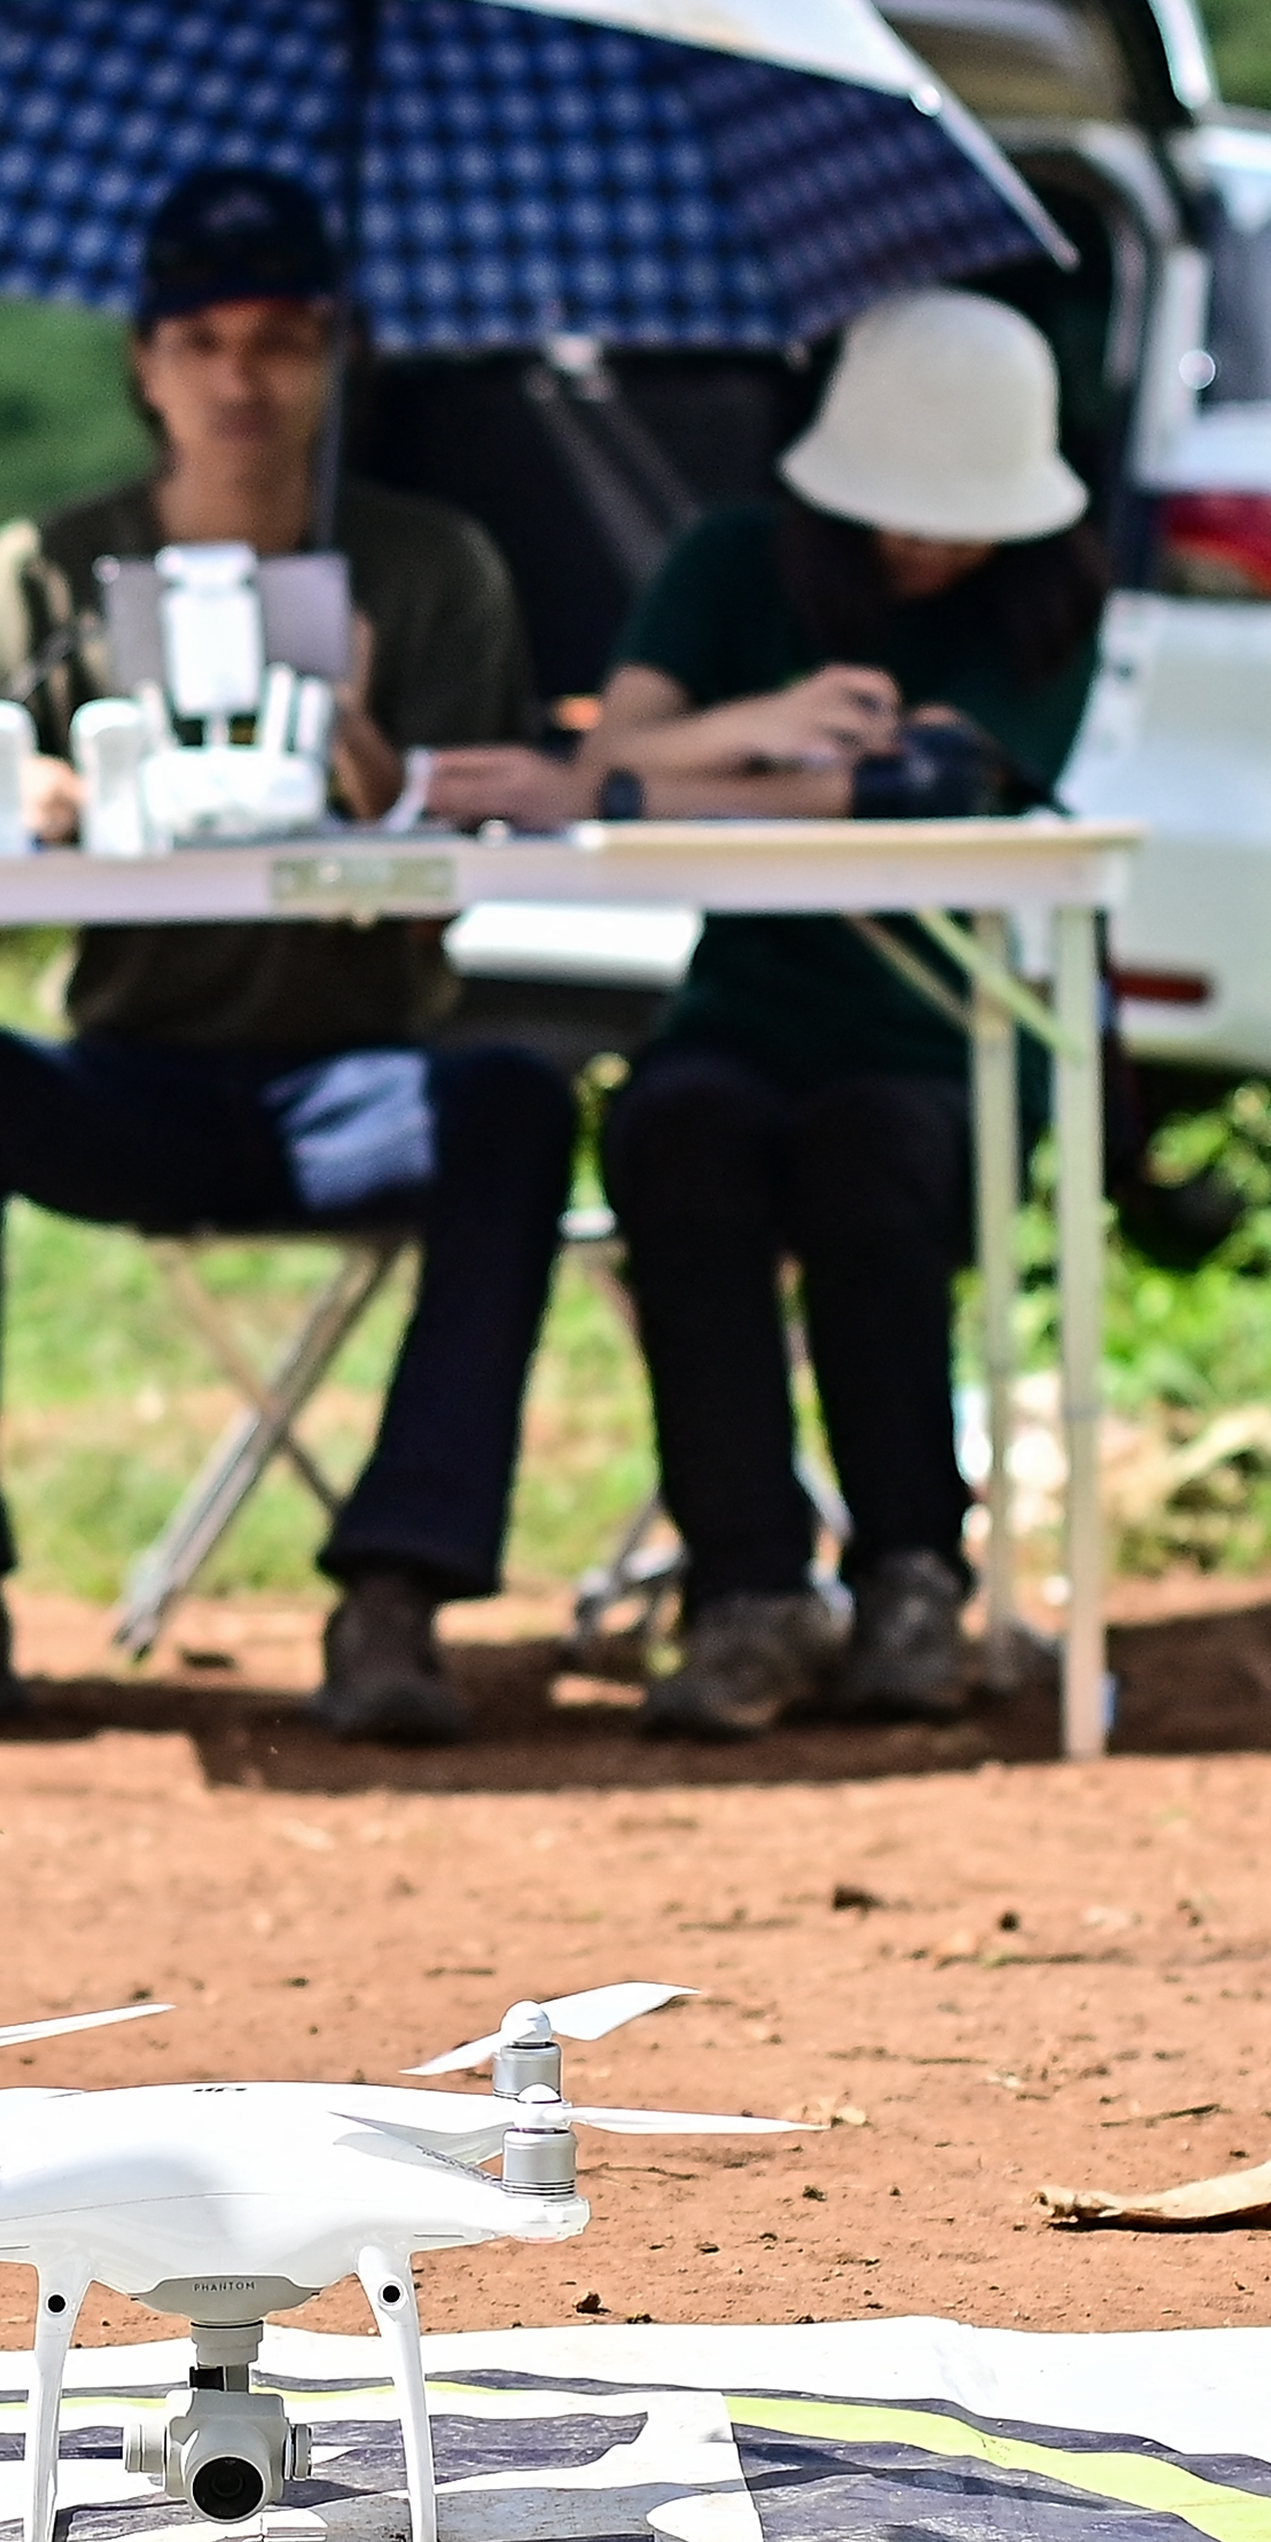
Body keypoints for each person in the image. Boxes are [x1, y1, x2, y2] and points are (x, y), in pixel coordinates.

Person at [0, 166, 568, 1747]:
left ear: (337, 355)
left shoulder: (430, 568)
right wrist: (22, 803)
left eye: (284, 339)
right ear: (143, 360)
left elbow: (466, 875)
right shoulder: (44, 574)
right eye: (203, 340)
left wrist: (377, 768)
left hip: (353, 1083)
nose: (242, 379)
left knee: (517, 1103)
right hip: (131, 1070)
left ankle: (398, 1586)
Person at [421, 288, 1104, 1740]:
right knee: (678, 1136)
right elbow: (624, 733)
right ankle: (747, 1588)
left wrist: (634, 781)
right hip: (747, 1010)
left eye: (959, 512)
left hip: (941, 1025)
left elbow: (927, 785)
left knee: (874, 1159)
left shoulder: (1044, 604)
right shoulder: (732, 564)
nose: (926, 542)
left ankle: (915, 1567)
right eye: (899, 507)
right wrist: (759, 726)